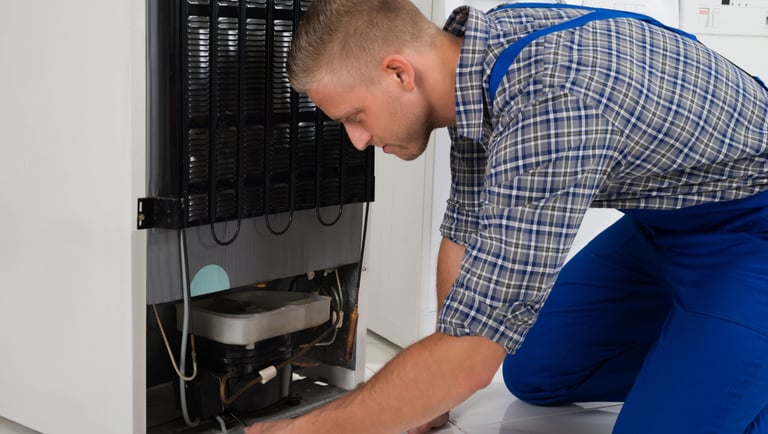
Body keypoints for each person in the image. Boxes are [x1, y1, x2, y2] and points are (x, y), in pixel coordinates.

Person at [246, 0, 768, 432]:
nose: (357, 140)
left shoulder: (553, 102)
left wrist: (300, 429)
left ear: (399, 73)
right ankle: (707, 345)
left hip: (752, 228)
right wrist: (430, 395)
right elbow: (465, 232)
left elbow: (470, 359)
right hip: (666, 222)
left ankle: (735, 361)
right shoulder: (475, 61)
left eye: (354, 117)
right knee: (535, 371)